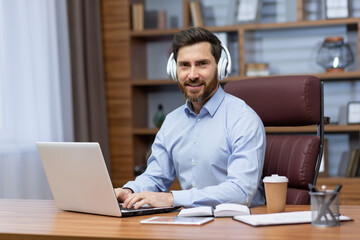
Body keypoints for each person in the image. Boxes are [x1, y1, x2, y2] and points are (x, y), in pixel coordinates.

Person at [115, 27, 266, 209]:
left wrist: (171, 199)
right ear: (174, 69)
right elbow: (156, 176)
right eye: (184, 65)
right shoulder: (172, 122)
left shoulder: (243, 120)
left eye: (202, 64)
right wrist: (130, 191)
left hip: (238, 225)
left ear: (221, 67)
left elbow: (241, 192)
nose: (192, 75)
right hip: (190, 224)